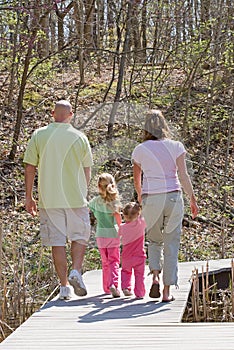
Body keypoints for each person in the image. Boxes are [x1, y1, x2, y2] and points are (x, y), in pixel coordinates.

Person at [23, 100, 93, 300]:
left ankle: (64, 287)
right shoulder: (80, 137)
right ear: (71, 114)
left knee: (57, 242)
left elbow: (30, 168)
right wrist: (83, 190)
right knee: (79, 236)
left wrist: (29, 197)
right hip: (75, 198)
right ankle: (76, 271)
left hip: (49, 199)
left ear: (53, 113)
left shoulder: (39, 135)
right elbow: (87, 169)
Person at [132, 109, 199, 302]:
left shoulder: (140, 149)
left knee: (154, 241)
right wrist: (192, 198)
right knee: (171, 243)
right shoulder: (176, 146)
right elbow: (183, 175)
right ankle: (167, 291)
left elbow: (137, 178)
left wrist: (140, 195)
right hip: (173, 197)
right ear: (164, 125)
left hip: (151, 198)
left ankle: (154, 276)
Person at [88, 173, 122, 298]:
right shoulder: (115, 201)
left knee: (105, 262)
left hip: (100, 235)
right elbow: (118, 217)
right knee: (114, 261)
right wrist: (121, 228)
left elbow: (87, 207)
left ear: (98, 186)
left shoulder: (95, 201)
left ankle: (106, 288)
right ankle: (114, 284)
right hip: (113, 234)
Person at [119, 202, 147, 298]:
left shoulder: (122, 228)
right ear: (138, 214)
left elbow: (117, 236)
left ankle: (126, 287)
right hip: (139, 256)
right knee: (139, 275)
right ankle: (140, 293)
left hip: (126, 256)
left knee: (126, 271)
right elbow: (144, 216)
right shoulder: (141, 224)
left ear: (124, 215)